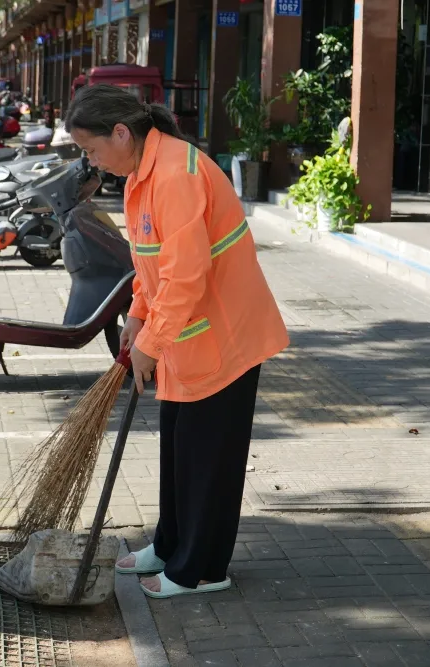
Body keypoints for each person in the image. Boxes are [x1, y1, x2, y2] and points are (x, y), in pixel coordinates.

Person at [64, 85, 289, 599]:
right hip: (189, 340)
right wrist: (138, 317)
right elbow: (152, 262)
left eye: (93, 149)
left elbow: (186, 276)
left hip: (226, 340)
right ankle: (169, 546)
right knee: (180, 450)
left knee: (209, 459)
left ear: (122, 133)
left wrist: (152, 340)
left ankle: (201, 570)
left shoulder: (176, 175)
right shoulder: (139, 177)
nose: (91, 161)